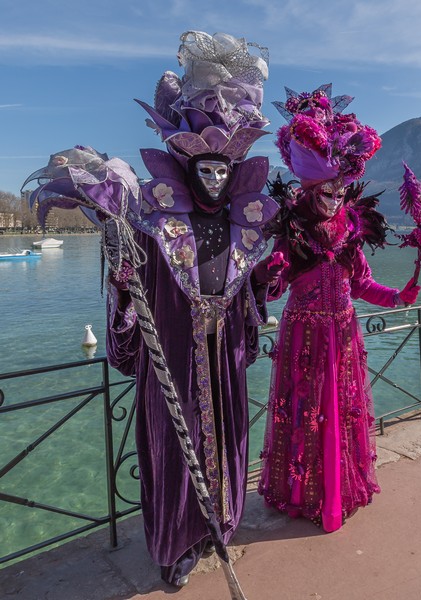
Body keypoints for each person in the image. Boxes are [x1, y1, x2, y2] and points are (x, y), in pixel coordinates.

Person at [104, 31, 283, 587]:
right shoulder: (157, 222)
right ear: (186, 170)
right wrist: (122, 266)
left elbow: (255, 290)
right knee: (173, 448)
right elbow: (131, 285)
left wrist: (264, 280)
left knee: (225, 438)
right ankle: (175, 543)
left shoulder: (243, 226)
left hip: (221, 355)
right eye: (203, 170)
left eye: (221, 171)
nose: (213, 179)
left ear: (234, 173)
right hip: (177, 359)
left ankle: (215, 527)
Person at [258, 86, 420, 533]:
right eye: (324, 191)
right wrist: (268, 274)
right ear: (308, 190)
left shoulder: (350, 234)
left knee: (341, 410)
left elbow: (363, 284)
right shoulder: (292, 232)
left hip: (344, 336)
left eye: (337, 191)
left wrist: (397, 297)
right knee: (307, 412)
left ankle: (339, 489)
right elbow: (274, 291)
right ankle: (303, 494)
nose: (331, 198)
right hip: (304, 338)